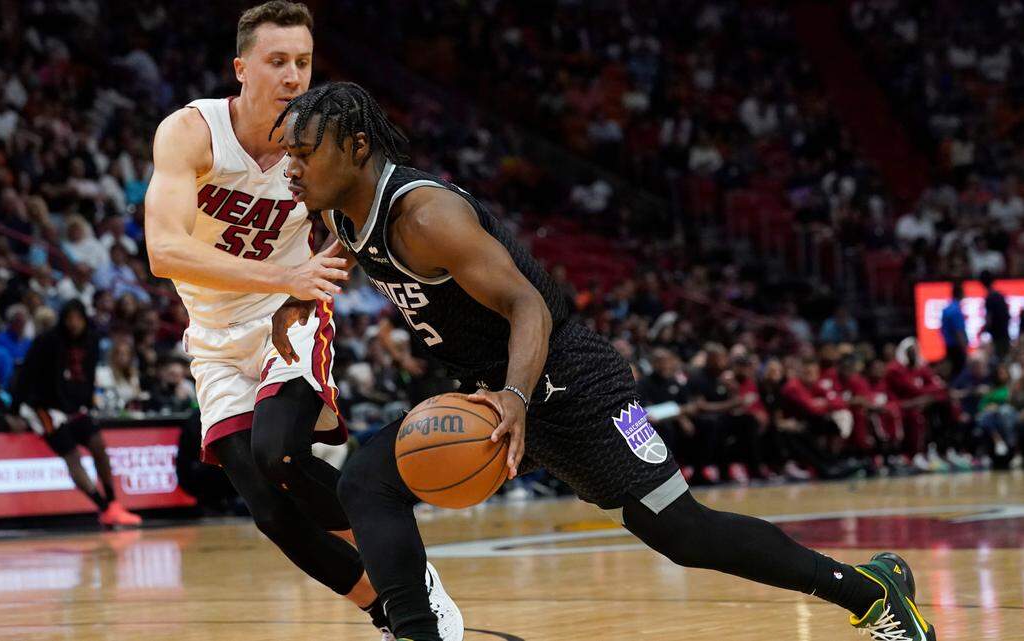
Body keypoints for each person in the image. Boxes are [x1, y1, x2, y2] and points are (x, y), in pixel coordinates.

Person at [272, 81, 936, 641]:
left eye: (304, 151)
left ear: (357, 147)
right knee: (366, 480)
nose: (292, 166)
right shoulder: (340, 214)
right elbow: (340, 261)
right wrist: (294, 304)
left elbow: (528, 306)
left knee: (680, 530)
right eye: (287, 154)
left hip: (566, 379)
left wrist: (514, 398)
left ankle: (870, 593)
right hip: (493, 394)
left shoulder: (424, 214)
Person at [142, 4, 460, 639]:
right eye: (277, 61)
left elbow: (366, 217)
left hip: (288, 314)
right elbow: (163, 251)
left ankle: (410, 578)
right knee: (270, 512)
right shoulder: (191, 133)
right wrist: (282, 273)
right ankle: (391, 609)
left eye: (304, 63)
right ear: (242, 68)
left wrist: (319, 270)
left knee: (280, 455)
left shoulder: (320, 143)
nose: (293, 76)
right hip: (214, 334)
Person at [5, 300, 141, 527]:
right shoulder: (47, 341)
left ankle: (114, 503)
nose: (73, 323)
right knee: (73, 457)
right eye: (69, 318)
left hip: (75, 407)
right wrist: (14, 410)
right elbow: (26, 374)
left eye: (77, 318)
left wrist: (87, 401)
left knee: (99, 445)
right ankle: (104, 508)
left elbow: (87, 375)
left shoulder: (91, 340)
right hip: (45, 408)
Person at [980, 270, 1010, 361]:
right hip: (1004, 333)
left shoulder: (990, 298)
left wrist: (983, 330)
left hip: (998, 337)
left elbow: (989, 318)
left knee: (1000, 359)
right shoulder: (1000, 295)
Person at [939, 281, 968, 375]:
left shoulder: (946, 309)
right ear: (961, 293)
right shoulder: (956, 311)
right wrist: (964, 349)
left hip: (948, 347)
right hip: (957, 348)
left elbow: (942, 330)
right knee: (959, 373)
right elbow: (958, 332)